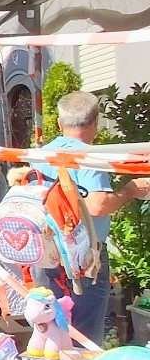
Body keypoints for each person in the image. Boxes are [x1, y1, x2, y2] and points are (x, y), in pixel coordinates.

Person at [33, 91, 150, 344]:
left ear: (60, 123)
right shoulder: (87, 157)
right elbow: (97, 205)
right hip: (83, 260)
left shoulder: (41, 154)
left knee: (48, 329)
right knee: (82, 338)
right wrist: (130, 190)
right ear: (96, 121)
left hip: (45, 252)